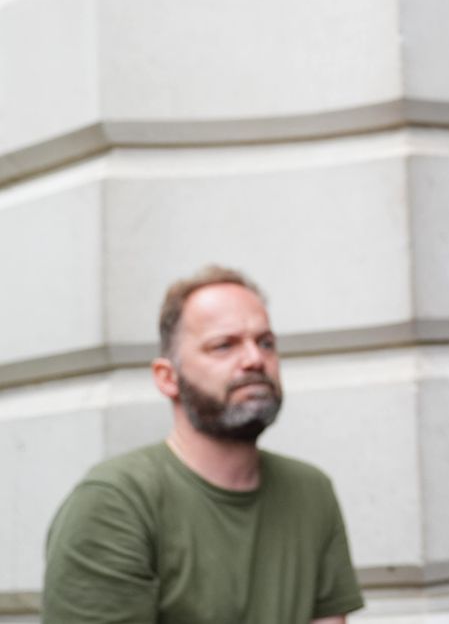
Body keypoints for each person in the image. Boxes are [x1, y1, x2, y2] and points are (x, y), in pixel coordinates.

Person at [43, 266, 363, 624]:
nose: (255, 359)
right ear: (168, 378)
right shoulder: (114, 501)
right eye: (224, 345)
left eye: (266, 342)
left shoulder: (311, 491)